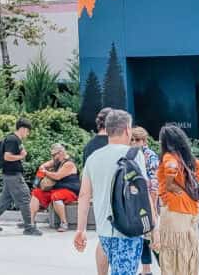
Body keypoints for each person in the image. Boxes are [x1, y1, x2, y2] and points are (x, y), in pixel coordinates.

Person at [75, 109, 155, 275]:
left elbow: (84, 195)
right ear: (127, 129)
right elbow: (143, 193)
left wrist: (80, 229)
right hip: (128, 229)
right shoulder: (134, 155)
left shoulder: (93, 158)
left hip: (104, 230)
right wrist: (153, 226)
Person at [156, 124, 199, 275]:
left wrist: (170, 185)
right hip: (192, 208)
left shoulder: (169, 157)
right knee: (188, 247)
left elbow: (171, 168)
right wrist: (188, 182)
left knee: (173, 248)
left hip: (175, 209)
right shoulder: (187, 158)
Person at [0, 118, 41, 235]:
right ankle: (29, 227)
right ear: (23, 129)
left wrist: (21, 154)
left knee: (5, 199)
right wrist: (21, 156)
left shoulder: (15, 139)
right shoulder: (13, 140)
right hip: (13, 175)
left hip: (10, 174)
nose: (28, 134)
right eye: (28, 131)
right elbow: (7, 156)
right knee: (25, 197)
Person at [83, 106, 114, 274]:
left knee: (103, 239)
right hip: (119, 197)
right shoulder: (116, 143)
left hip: (98, 198)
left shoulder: (89, 146)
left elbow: (86, 179)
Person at [29, 142, 80, 232]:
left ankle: (64, 223)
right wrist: (42, 168)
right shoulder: (57, 161)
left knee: (56, 196)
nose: (52, 157)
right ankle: (31, 222)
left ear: (61, 153)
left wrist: (46, 172)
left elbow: (57, 176)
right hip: (57, 189)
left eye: (54, 155)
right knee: (36, 193)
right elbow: (44, 165)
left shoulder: (69, 164)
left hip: (70, 191)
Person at [131, 126, 161, 274]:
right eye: (132, 140)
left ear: (144, 141)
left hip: (150, 203)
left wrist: (153, 209)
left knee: (155, 238)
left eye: (137, 140)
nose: (134, 143)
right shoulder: (133, 155)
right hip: (139, 203)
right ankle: (146, 270)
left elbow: (154, 185)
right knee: (144, 238)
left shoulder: (150, 156)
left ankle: (165, 268)